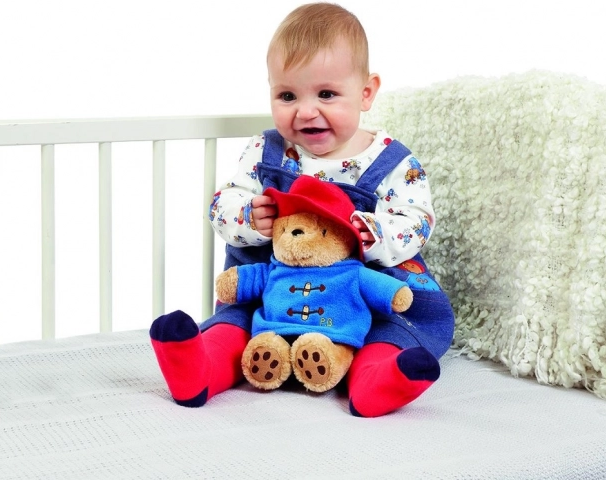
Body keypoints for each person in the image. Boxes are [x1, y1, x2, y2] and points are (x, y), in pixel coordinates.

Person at [150, 2, 454, 418]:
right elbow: (222, 203)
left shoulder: (391, 161)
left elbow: (417, 219)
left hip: (362, 296)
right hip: (270, 293)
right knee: (235, 323)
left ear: (366, 93)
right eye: (287, 95)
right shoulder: (266, 150)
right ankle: (199, 368)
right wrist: (248, 217)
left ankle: (375, 382)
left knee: (390, 330)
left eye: (326, 94)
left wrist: (378, 234)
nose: (306, 111)